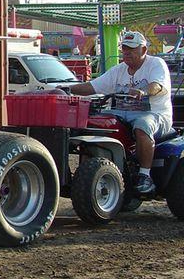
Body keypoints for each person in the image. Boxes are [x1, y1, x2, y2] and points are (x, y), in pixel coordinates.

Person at [65, 31, 173, 195]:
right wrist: (65, 90)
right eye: (124, 48)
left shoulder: (156, 64)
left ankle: (145, 176)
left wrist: (143, 91)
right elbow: (92, 87)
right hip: (122, 112)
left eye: (131, 48)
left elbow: (157, 86)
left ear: (143, 50)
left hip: (155, 113)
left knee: (142, 125)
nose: (127, 52)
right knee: (93, 122)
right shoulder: (118, 70)